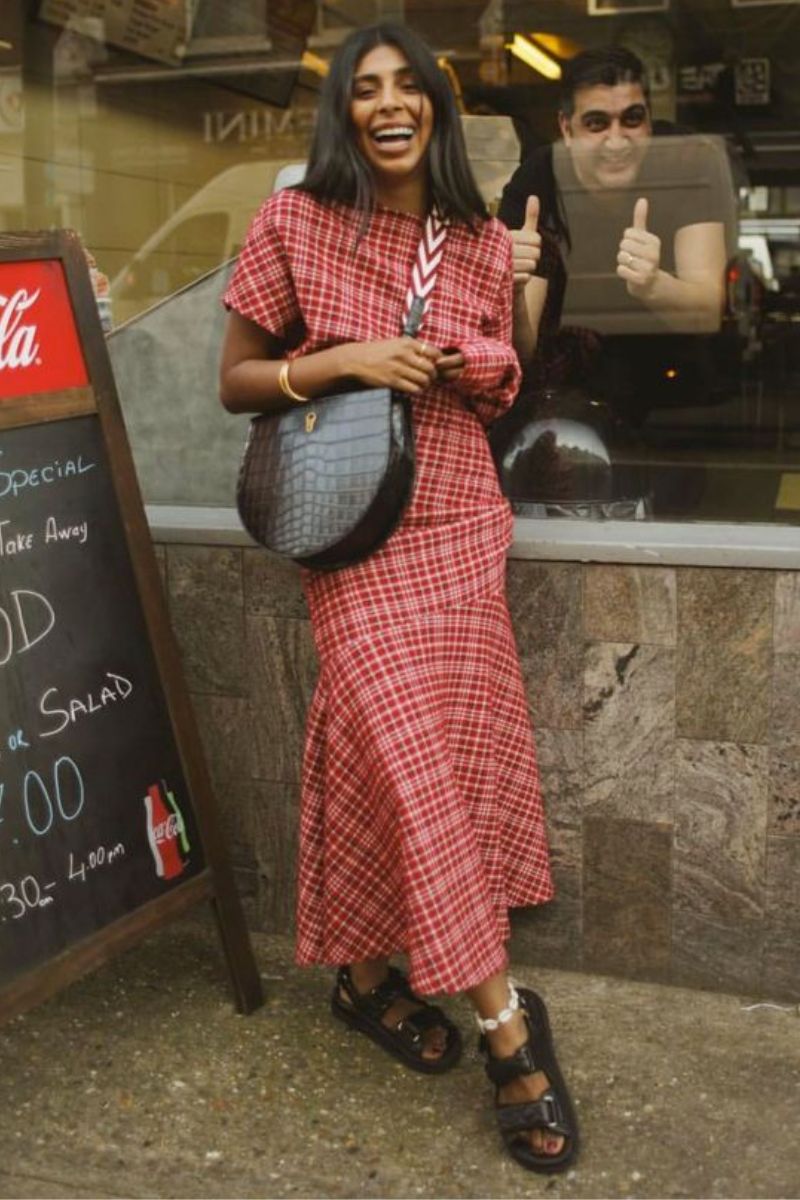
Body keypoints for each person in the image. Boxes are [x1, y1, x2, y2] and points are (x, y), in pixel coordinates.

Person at [219, 21, 578, 1175]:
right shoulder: (290, 220)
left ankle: (364, 977)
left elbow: (499, 383)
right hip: (349, 530)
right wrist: (346, 361)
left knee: (423, 757)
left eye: (404, 87)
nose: (384, 104)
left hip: (460, 520)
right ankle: (506, 1030)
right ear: (342, 112)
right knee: (411, 761)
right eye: (360, 89)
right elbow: (234, 381)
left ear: (434, 105)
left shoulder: (473, 234)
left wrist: (494, 340)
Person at [499, 46, 733, 406]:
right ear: (567, 129)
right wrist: (512, 290)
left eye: (632, 119)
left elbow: (708, 307)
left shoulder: (687, 160)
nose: (616, 140)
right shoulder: (539, 177)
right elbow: (521, 349)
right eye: (596, 123)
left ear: (650, 121)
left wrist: (655, 285)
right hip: (568, 393)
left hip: (677, 392)